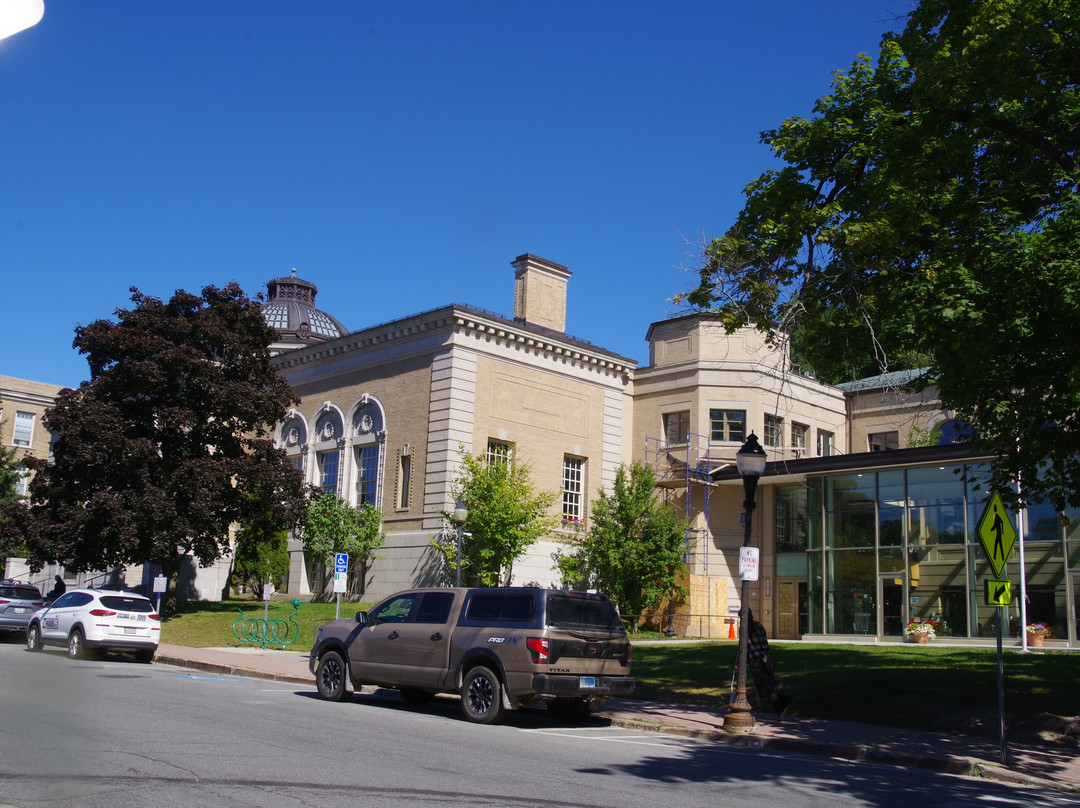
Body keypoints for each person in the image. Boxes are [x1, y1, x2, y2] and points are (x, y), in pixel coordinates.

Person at [746, 609, 791, 719]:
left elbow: (745, 648)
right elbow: (764, 641)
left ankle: (779, 707)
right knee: (771, 681)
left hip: (755, 660)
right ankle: (784, 700)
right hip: (766, 658)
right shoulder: (759, 626)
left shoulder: (745, 629)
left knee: (764, 687)